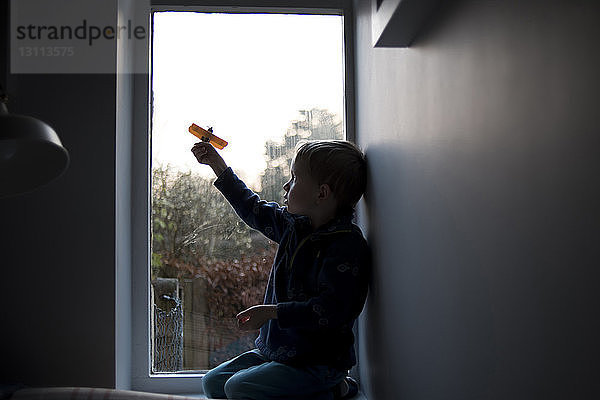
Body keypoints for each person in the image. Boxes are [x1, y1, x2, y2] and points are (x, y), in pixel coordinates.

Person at [191, 139, 370, 400]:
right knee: (213, 383)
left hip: (316, 363)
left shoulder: (346, 246)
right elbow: (251, 208)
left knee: (237, 388)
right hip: (277, 352)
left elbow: (330, 310)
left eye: (295, 178)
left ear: (321, 193)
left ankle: (334, 388)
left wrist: (271, 313)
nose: (287, 186)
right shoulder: (292, 226)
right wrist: (217, 165)